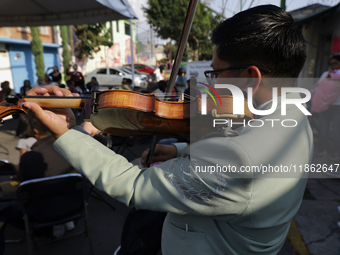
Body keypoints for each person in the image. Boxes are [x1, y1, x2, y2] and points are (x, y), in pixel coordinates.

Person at [24, 5, 312, 255]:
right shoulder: (295, 116)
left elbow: (134, 185)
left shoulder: (239, 158)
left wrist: (69, 132)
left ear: (251, 78)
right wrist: (179, 149)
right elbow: (241, 145)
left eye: (215, 72)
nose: (210, 85)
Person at [311, 55, 340, 160]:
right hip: (323, 106)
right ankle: (321, 150)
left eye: (335, 63)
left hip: (337, 107)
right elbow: (319, 87)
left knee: (336, 131)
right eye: (331, 64)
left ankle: (336, 153)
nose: (333, 66)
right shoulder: (325, 74)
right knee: (323, 129)